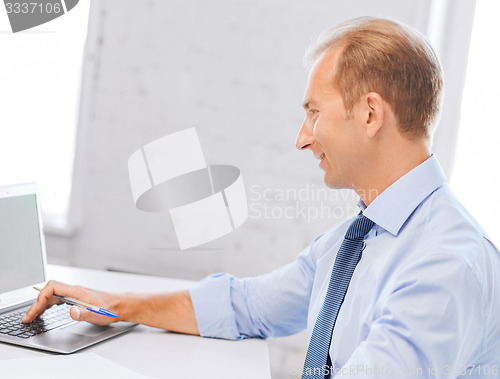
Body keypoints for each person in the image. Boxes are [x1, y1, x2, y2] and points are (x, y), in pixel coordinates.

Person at [23, 17, 500, 378]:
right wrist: (116, 304)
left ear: (371, 113)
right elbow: (247, 306)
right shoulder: (355, 239)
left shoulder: (445, 264)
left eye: (314, 112)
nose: (302, 138)